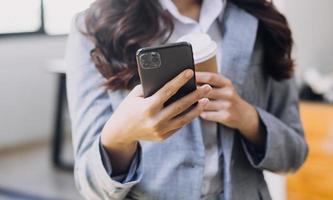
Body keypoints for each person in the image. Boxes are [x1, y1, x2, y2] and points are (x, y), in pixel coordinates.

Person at [66, 0, 308, 199]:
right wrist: (120, 137)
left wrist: (248, 118)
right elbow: (90, 186)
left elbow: (295, 154)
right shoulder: (92, 27)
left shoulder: (263, 22)